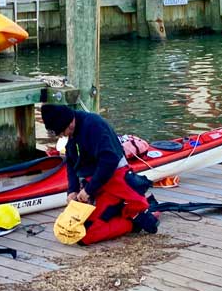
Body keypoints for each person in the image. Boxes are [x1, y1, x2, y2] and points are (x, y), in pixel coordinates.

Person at [40, 104, 159, 245]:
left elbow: (109, 161)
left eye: (62, 132)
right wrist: (72, 190)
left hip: (114, 181)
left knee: (85, 236)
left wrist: (89, 190)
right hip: (96, 184)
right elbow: (71, 162)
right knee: (75, 230)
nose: (63, 136)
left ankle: (133, 222)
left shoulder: (94, 126)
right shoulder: (72, 131)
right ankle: (124, 211)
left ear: (70, 122)